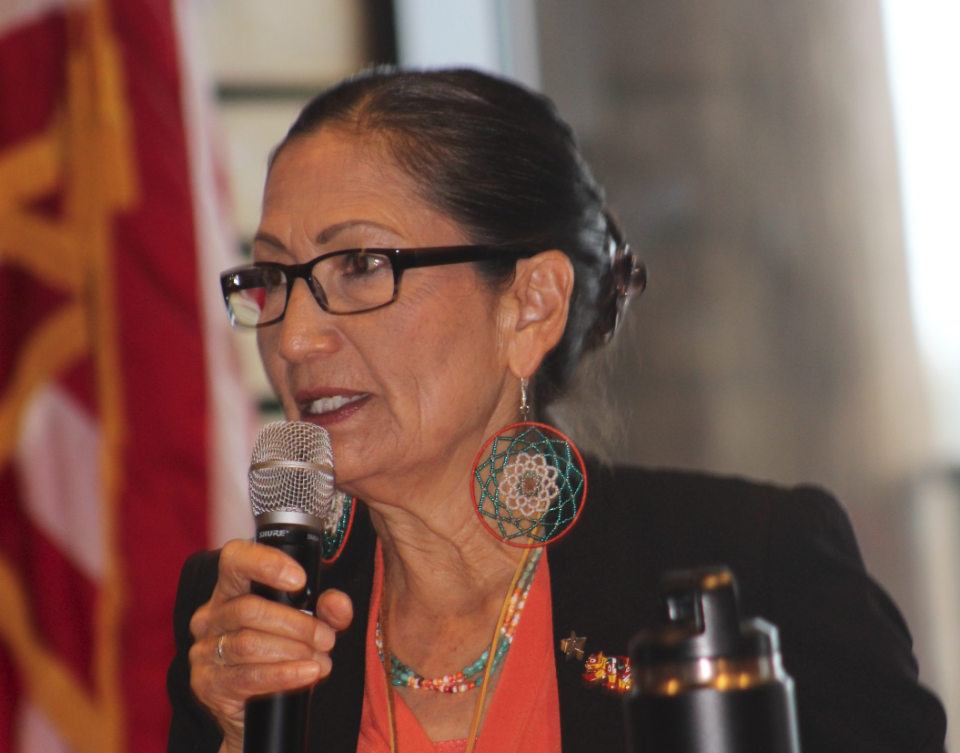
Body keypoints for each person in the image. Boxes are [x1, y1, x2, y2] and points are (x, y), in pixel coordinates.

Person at [167, 68, 946, 753]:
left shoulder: (755, 564)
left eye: (362, 265)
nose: (295, 337)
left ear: (530, 306)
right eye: (272, 276)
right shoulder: (243, 618)